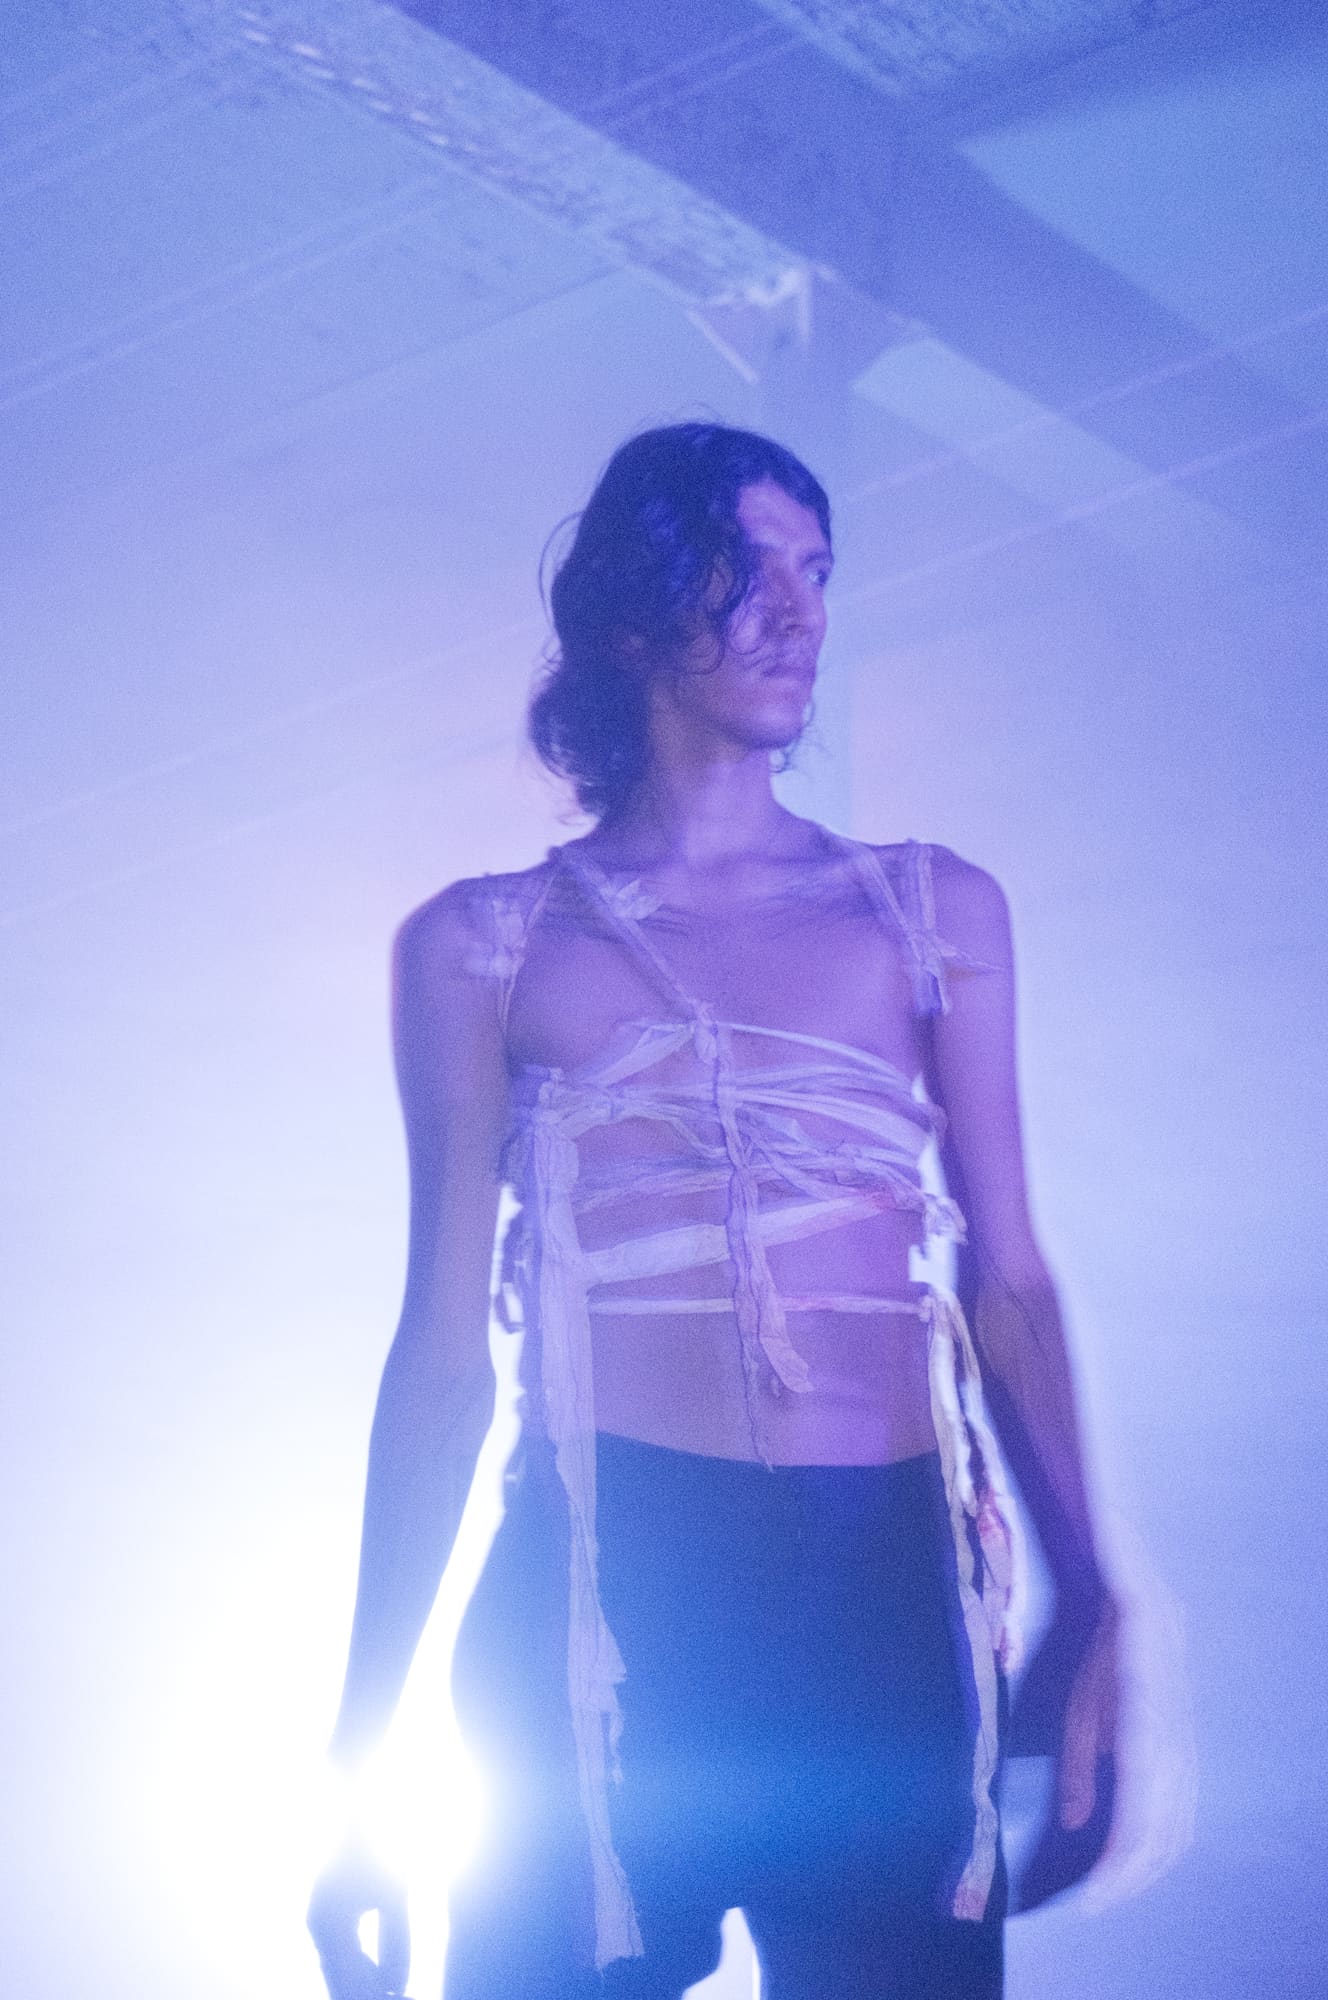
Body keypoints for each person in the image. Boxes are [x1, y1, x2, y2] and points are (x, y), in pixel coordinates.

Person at [308, 422, 1120, 2000]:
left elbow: (1009, 1280)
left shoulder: (929, 911)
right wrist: (357, 1759)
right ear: (633, 611)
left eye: (818, 572)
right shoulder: (483, 945)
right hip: (604, 1601)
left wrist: (1095, 1603)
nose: (799, 612)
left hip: (876, 1606)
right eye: (749, 571)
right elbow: (441, 1355)